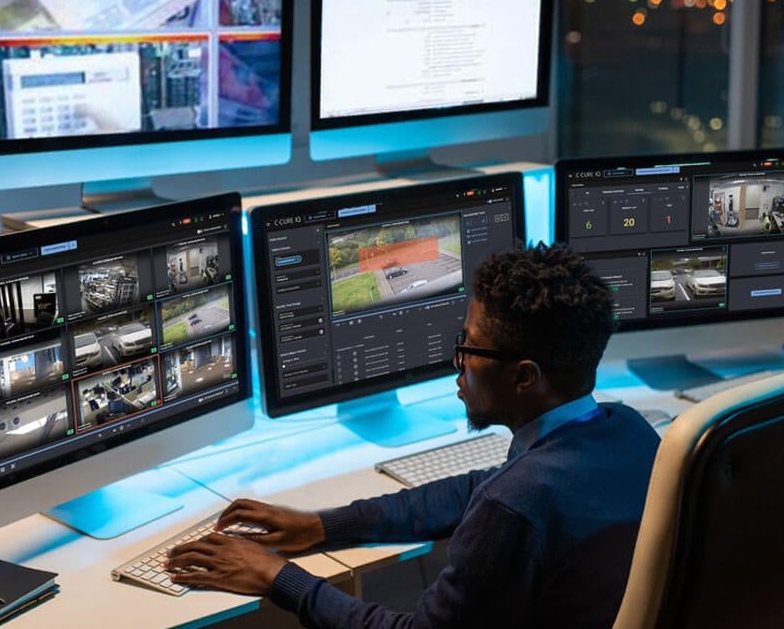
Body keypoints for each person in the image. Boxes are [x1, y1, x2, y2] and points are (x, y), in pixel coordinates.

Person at [167, 243, 661, 628]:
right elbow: (477, 490)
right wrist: (326, 526)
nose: (459, 363)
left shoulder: (516, 507)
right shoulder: (629, 432)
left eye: (469, 347)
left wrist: (277, 577)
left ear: (524, 377)